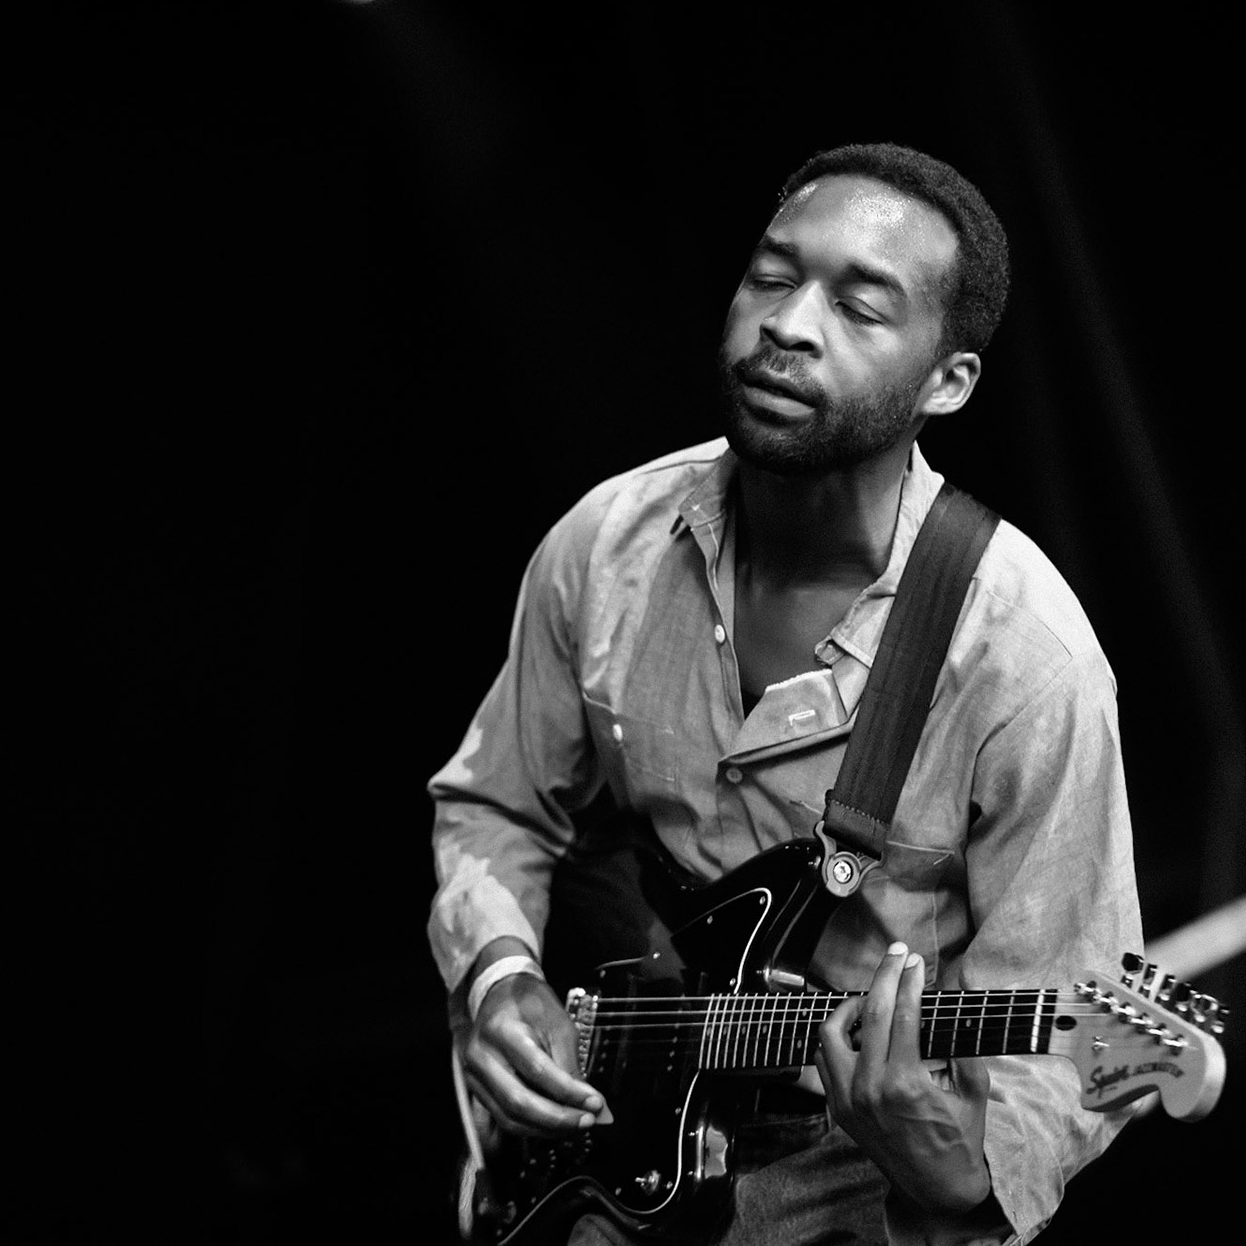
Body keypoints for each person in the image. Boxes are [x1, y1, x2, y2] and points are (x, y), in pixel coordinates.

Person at [428, 141, 1143, 1245]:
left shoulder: (1025, 657)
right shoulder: (604, 542)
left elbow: (1064, 1035)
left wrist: (955, 1166)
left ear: (946, 381)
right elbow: (497, 802)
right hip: (609, 1144)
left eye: (861, 306)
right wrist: (499, 975)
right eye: (774, 274)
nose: (791, 322)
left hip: (855, 1175)